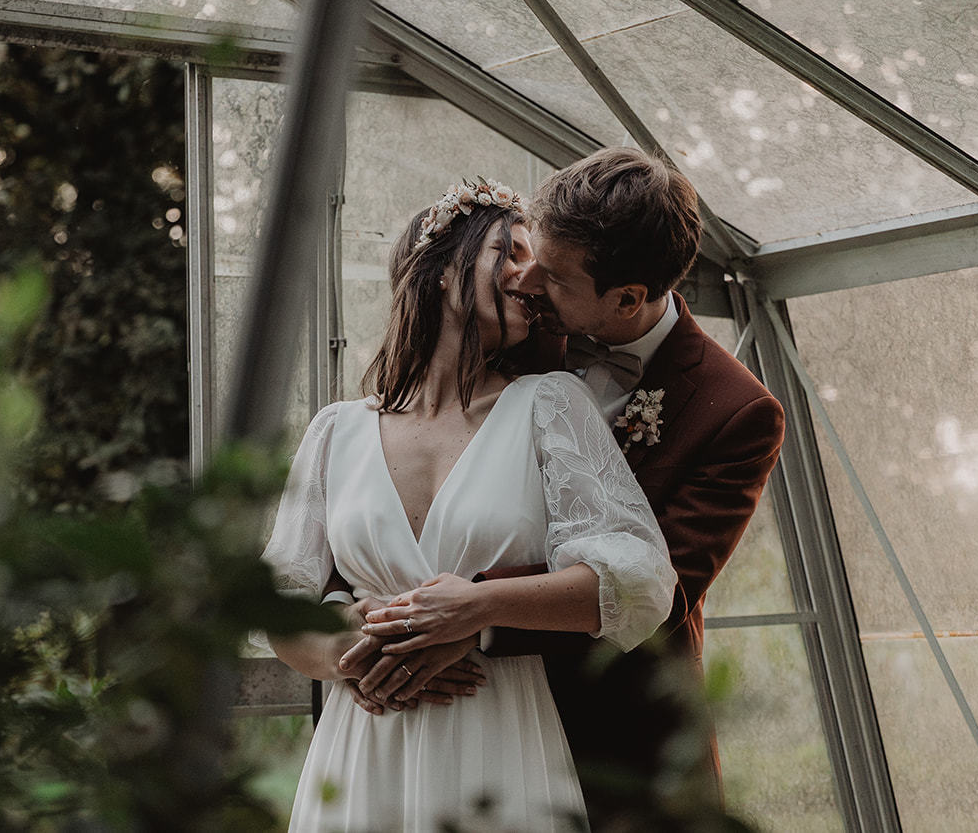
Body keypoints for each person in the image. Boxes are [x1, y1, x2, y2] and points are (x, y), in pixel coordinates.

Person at [346, 148, 786, 827]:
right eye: (526, 257)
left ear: (627, 298)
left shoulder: (737, 412)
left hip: (618, 732)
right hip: (471, 720)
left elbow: (658, 589)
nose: (526, 279)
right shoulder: (522, 331)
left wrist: (473, 616)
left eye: (551, 274)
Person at [262, 176, 676, 833]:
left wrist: (479, 607)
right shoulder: (335, 431)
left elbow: (639, 582)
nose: (531, 275)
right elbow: (275, 603)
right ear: (440, 269)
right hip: (362, 746)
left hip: (498, 731)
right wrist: (353, 647)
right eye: (509, 252)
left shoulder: (551, 406)